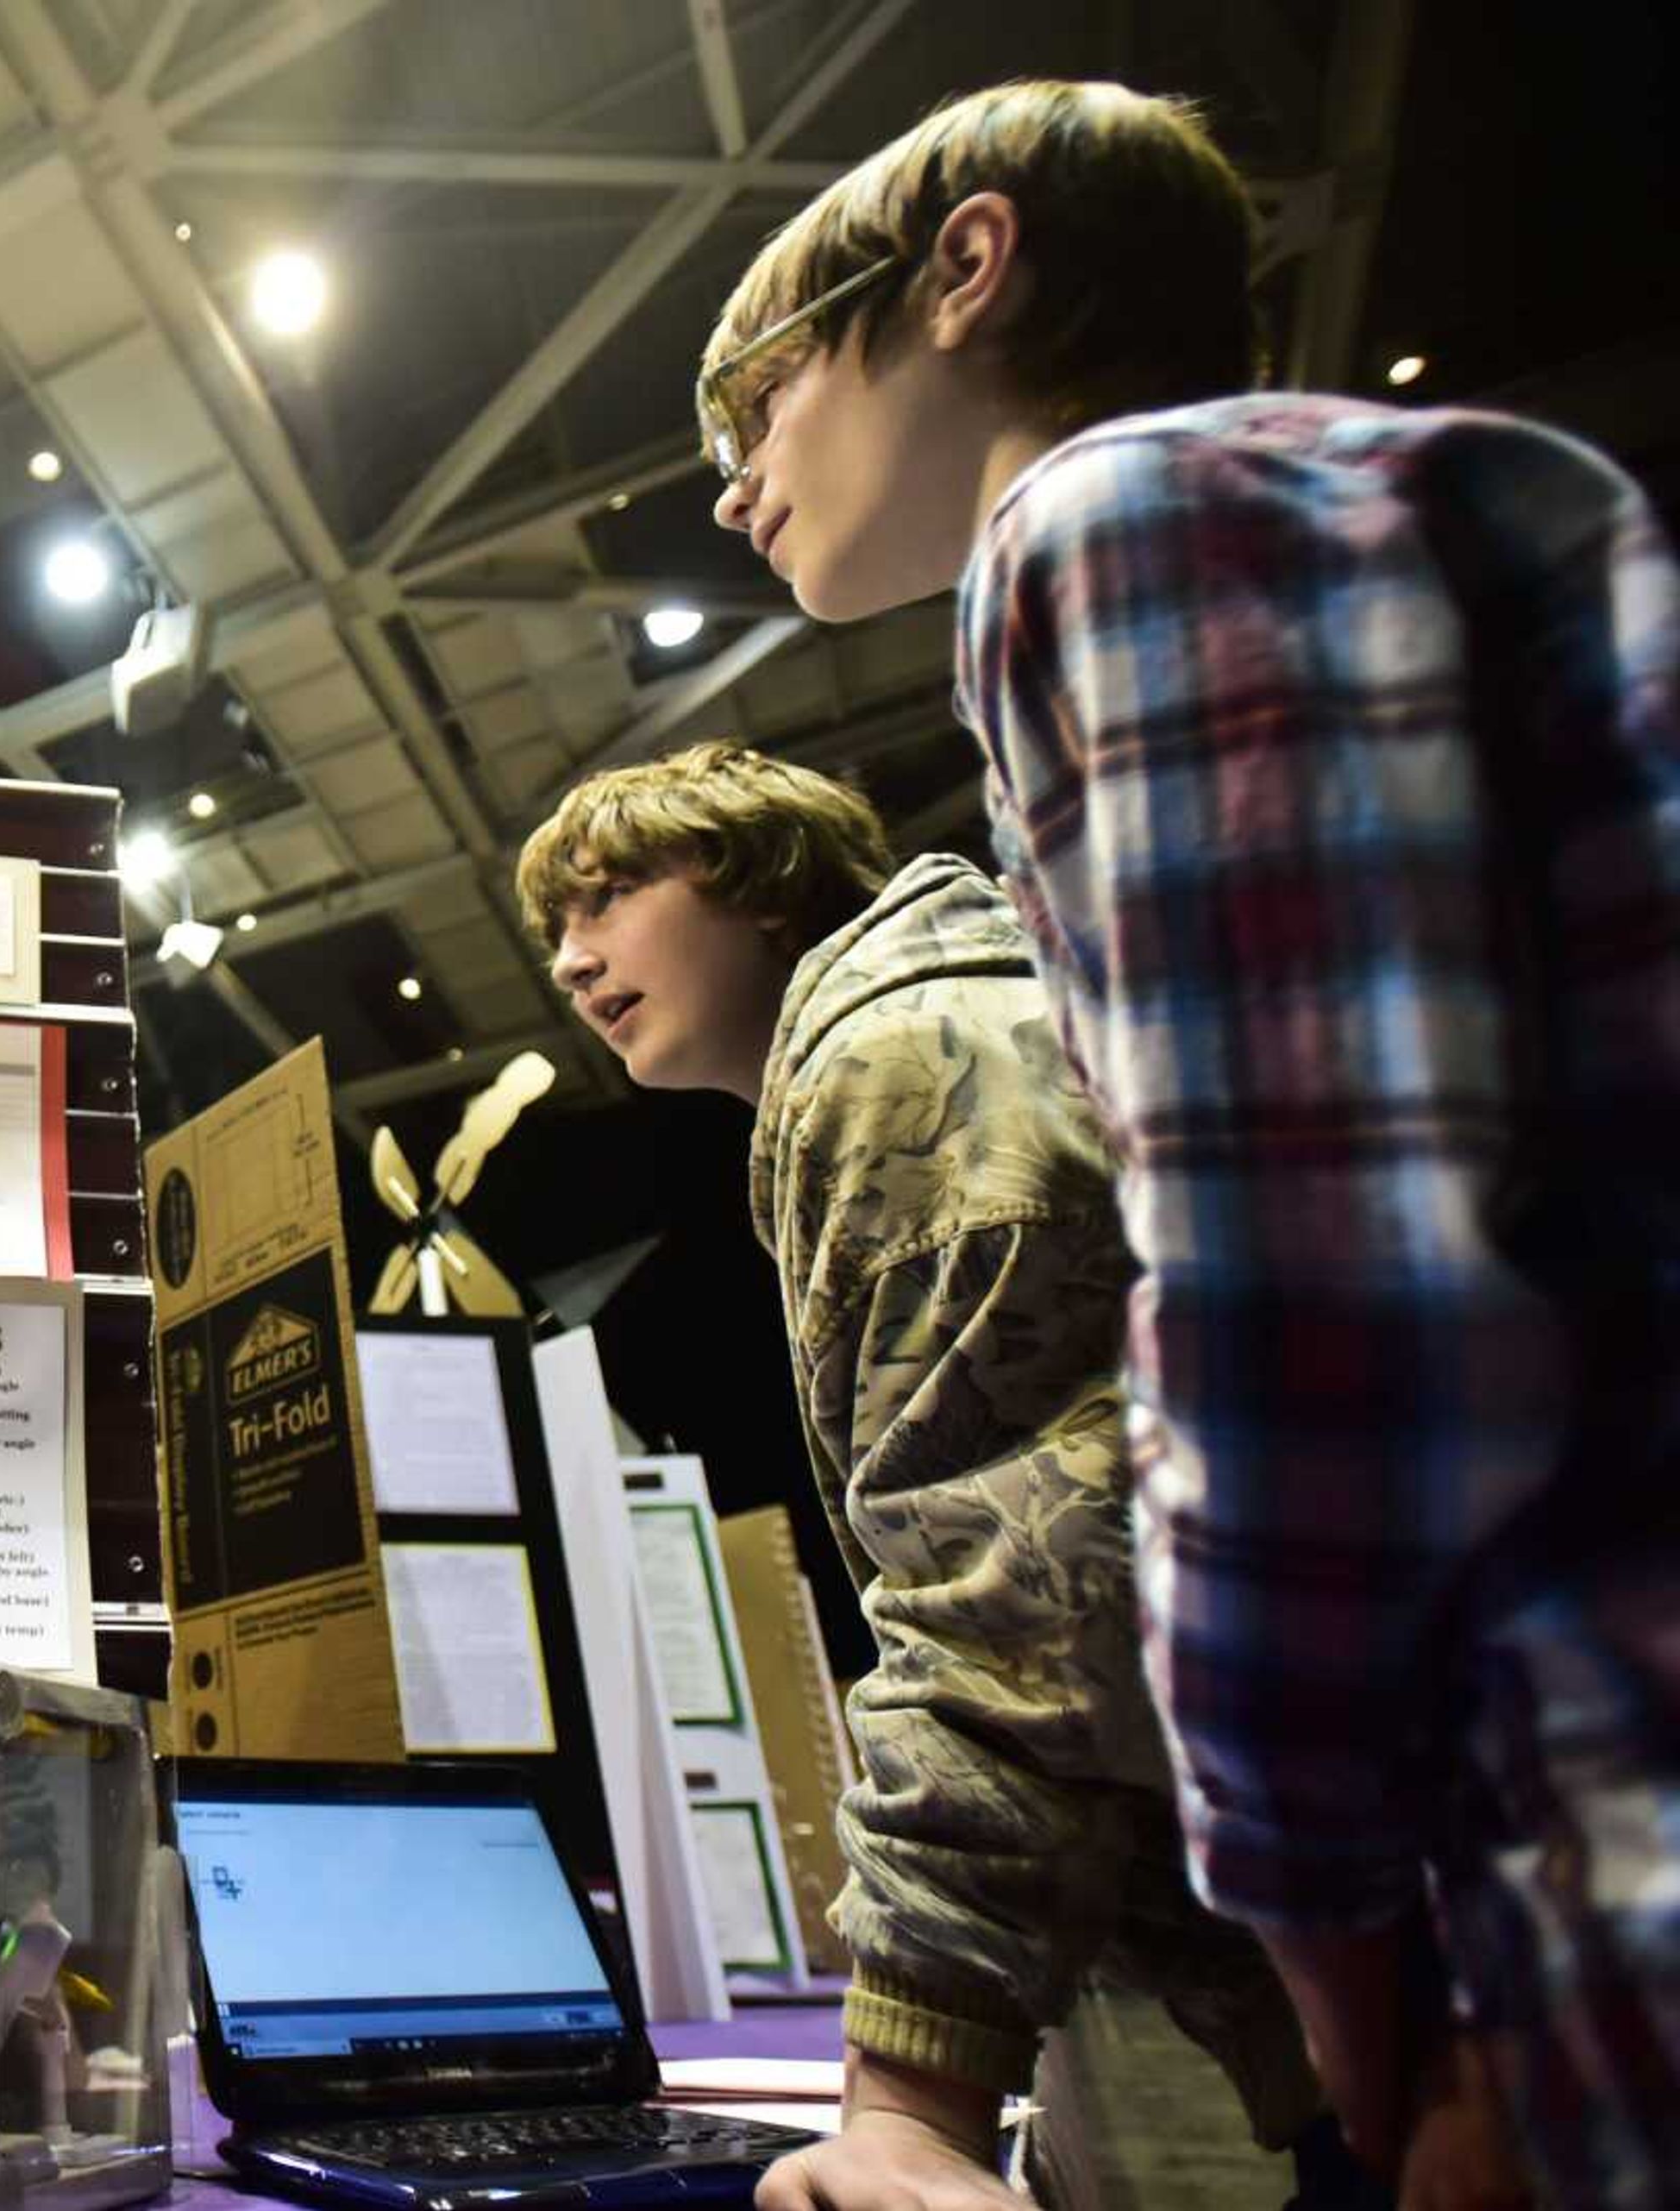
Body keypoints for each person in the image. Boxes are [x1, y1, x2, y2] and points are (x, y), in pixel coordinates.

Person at [691, 72, 1678, 2208]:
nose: (732, 484)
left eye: (748, 399)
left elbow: (1322, 1306)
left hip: (1565, 1882)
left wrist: (1350, 1957)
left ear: (965, 266)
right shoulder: (1489, 492)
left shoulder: (1103, 524)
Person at [518, 743, 1334, 2205]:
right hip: (1202, 1911)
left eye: (609, 894)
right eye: (553, 936)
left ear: (762, 880)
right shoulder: (949, 1032)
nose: (573, 964)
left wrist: (911, 2088)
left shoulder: (904, 1061)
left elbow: (1021, 1586)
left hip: (1220, 1951)